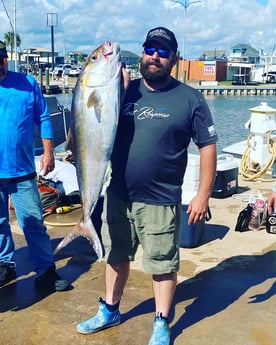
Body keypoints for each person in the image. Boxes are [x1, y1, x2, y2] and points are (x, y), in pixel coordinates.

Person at [76, 27, 218, 345]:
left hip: (161, 199)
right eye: (149, 49)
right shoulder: (124, 91)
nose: (155, 55)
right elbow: (88, 124)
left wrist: (203, 194)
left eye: (163, 51)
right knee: (115, 256)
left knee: (162, 264)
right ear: (141, 54)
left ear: (174, 59)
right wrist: (116, 86)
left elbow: (208, 145)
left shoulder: (190, 98)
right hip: (118, 195)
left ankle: (161, 322)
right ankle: (110, 309)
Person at [0, 41, 69, 292]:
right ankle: (4, 264)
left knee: (33, 221)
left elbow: (43, 117)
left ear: (5, 59)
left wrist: (49, 152)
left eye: (0, 58)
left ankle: (45, 270)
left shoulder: (27, 83)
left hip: (23, 171)